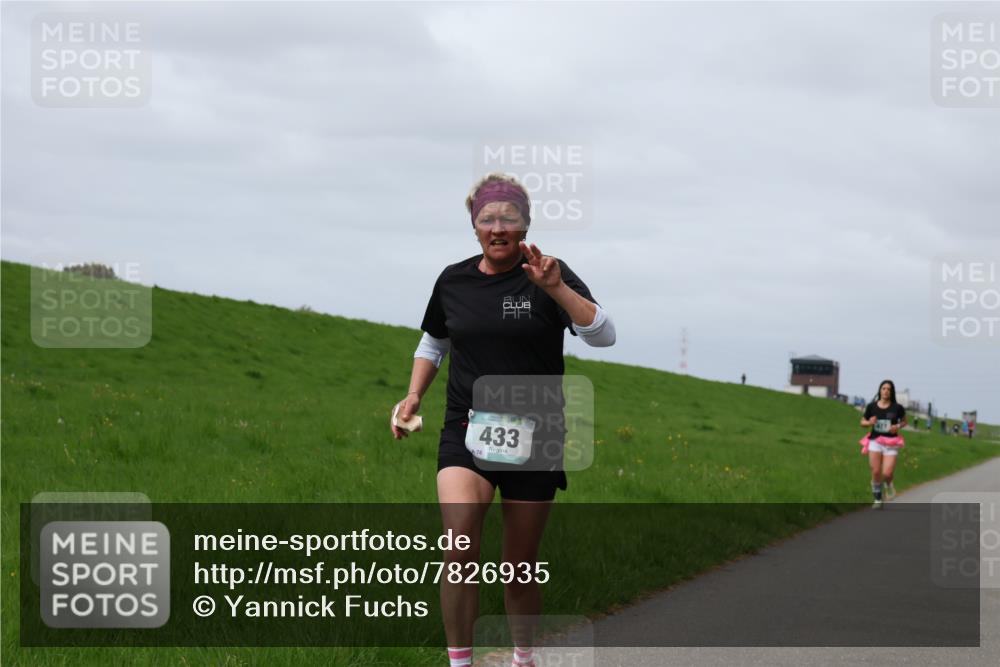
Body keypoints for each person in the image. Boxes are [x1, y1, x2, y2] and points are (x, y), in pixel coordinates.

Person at [390, 173, 615, 667]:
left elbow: (603, 335)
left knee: (518, 568)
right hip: (466, 429)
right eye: (487, 218)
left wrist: (556, 289)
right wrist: (413, 395)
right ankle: (460, 663)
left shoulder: (549, 272)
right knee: (458, 549)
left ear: (525, 225)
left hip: (536, 436)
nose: (497, 227)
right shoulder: (453, 281)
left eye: (508, 218)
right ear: (473, 226)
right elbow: (434, 342)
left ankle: (523, 657)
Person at [859, 380, 907, 509]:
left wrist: (897, 426)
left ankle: (888, 484)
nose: (886, 391)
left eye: (889, 389)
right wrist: (869, 422)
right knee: (875, 471)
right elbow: (862, 422)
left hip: (891, 442)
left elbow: (904, 422)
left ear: (892, 392)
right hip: (875, 441)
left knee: (887, 473)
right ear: (880, 390)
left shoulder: (897, 408)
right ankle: (878, 498)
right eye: (884, 388)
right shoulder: (871, 406)